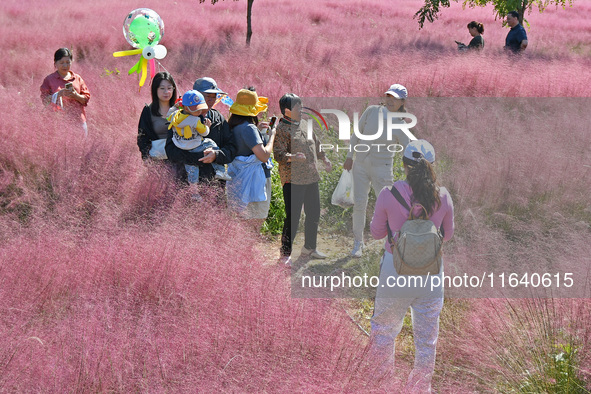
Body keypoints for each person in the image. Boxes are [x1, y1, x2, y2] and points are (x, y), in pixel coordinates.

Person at [369, 139, 454, 392]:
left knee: (384, 332)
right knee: (427, 341)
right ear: (432, 167)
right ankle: (419, 389)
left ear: (404, 165)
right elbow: (446, 236)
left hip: (395, 272)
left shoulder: (389, 193)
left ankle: (382, 386)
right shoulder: (444, 196)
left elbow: (375, 233)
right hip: (431, 275)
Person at [343, 84, 412, 257]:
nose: (390, 100)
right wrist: (350, 156)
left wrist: (413, 170)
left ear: (402, 102)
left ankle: (388, 245)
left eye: (394, 98)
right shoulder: (372, 111)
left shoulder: (401, 124)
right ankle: (358, 243)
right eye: (388, 96)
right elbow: (356, 134)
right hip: (360, 166)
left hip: (383, 170)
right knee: (359, 204)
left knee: (388, 207)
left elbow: (409, 148)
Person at [273, 93, 333, 266]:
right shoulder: (281, 129)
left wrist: (324, 158)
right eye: (297, 107)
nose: (301, 110)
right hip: (293, 180)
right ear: (286, 111)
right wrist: (293, 157)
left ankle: (309, 248)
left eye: (301, 106)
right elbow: (278, 154)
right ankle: (285, 255)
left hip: (311, 177)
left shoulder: (305, 124)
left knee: (314, 213)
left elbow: (316, 142)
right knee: (293, 217)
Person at [165, 77, 237, 188]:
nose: (210, 101)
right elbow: (171, 152)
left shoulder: (218, 119)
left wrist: (216, 155)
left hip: (214, 187)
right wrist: (199, 158)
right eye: (207, 96)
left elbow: (232, 149)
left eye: (214, 97)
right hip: (187, 186)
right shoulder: (179, 119)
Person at [226, 88, 276, 231]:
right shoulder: (248, 128)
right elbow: (264, 155)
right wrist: (272, 135)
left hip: (237, 178)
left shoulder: (233, 126)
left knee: (241, 223)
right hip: (255, 180)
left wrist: (258, 131)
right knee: (254, 223)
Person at [40, 48, 91, 136]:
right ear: (55, 63)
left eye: (68, 62)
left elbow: (86, 99)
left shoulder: (77, 78)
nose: (65, 65)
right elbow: (45, 100)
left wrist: (75, 96)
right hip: (58, 123)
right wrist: (58, 94)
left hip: (78, 121)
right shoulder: (49, 80)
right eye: (62, 62)